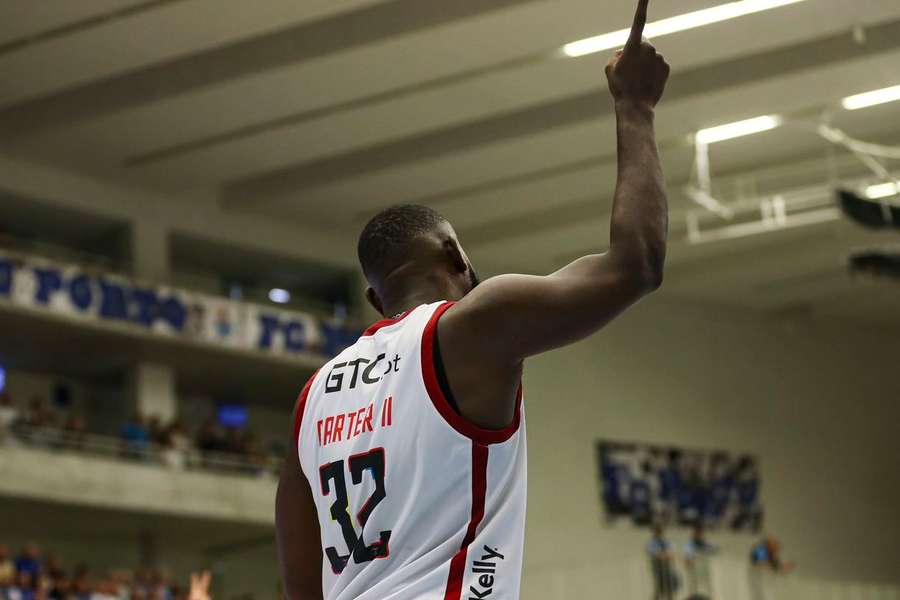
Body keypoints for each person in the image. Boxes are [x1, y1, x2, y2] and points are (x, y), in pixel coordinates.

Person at [275, 1, 670, 598]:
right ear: (459, 260)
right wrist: (634, 107)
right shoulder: (468, 328)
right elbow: (635, 265)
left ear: (374, 297)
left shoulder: (313, 402)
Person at [684, 524, 718, 600]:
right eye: (698, 533)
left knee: (707, 586)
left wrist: (707, 549)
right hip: (694, 569)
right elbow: (688, 555)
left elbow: (714, 549)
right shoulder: (690, 543)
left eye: (701, 533)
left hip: (704, 569)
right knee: (693, 587)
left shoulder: (705, 542)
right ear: (695, 533)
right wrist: (689, 560)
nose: (700, 535)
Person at [647, 525, 678, 600]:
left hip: (667, 568)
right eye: (657, 531)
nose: (659, 533)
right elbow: (655, 553)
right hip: (658, 569)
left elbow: (671, 553)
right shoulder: (652, 543)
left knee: (669, 588)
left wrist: (665, 554)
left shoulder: (666, 542)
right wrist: (664, 555)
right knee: (660, 588)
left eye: (660, 531)